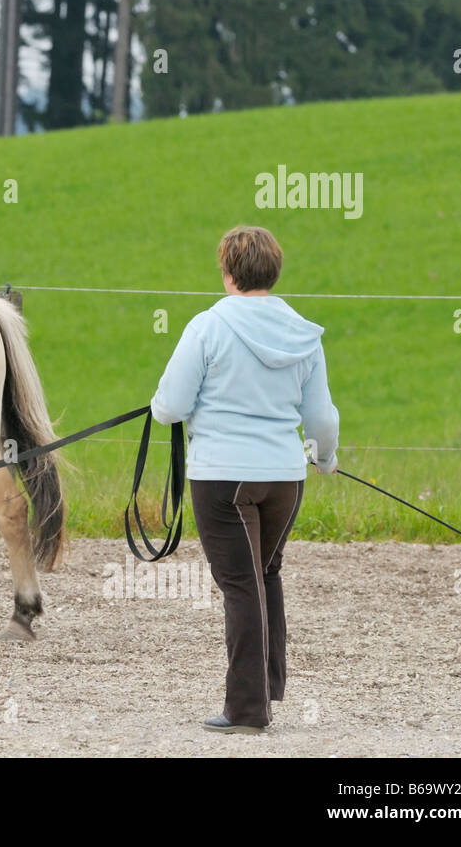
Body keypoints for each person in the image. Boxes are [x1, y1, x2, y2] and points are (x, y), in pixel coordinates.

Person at [150, 225, 339, 734]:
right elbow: (321, 418)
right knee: (265, 576)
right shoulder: (304, 333)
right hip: (284, 477)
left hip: (223, 477)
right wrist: (324, 458)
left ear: (229, 273)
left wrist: (162, 403)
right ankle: (267, 688)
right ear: (272, 272)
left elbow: (169, 407)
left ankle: (248, 709)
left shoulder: (207, 327)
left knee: (240, 586)